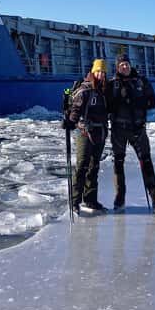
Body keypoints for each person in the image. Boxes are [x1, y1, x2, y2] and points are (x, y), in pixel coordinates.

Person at [106, 53, 155, 214]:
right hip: (119, 130)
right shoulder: (111, 84)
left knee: (146, 162)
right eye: (121, 65)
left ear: (130, 65)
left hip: (138, 129)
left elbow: (153, 101)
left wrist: (139, 102)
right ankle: (119, 198)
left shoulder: (141, 81)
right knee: (118, 163)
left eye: (126, 64)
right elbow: (104, 105)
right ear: (117, 67)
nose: (125, 67)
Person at [67, 59, 110, 214]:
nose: (101, 74)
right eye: (98, 71)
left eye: (103, 72)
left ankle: (90, 199)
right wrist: (70, 122)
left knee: (94, 167)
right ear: (93, 71)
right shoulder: (85, 89)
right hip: (85, 132)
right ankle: (74, 202)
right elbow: (75, 109)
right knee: (82, 166)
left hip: (100, 132)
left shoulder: (104, 90)